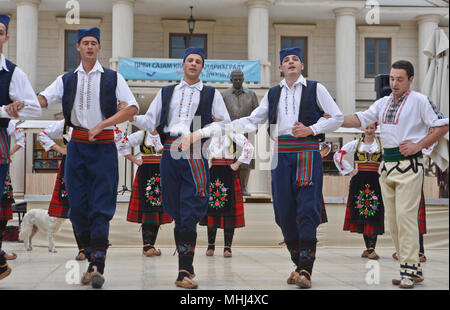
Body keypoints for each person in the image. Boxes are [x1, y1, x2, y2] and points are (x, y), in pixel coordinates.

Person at [231, 47, 343, 288]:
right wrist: (224, 125)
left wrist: (312, 129)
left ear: (302, 66)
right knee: (283, 210)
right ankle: (299, 263)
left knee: (307, 207)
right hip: (281, 153)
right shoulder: (272, 93)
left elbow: (337, 117)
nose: (291, 62)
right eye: (286, 60)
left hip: (306, 151)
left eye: (295, 59)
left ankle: (306, 269)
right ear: (280, 68)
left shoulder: (315, 88)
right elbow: (253, 120)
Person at [37, 27, 139, 289]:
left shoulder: (113, 78)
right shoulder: (67, 79)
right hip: (77, 150)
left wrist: (102, 124)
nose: (90, 47)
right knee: (79, 209)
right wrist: (22, 102)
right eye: (85, 43)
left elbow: (131, 108)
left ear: (100, 48)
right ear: (78, 48)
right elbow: (43, 99)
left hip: (104, 148)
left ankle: (97, 267)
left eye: (94, 43)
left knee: (101, 208)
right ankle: (90, 256)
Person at [342, 60, 449, 288]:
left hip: (409, 165)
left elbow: (442, 125)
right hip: (387, 167)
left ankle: (408, 271)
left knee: (405, 218)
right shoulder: (382, 102)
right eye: (391, 78)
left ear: (411, 79)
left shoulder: (420, 100)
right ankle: (412, 268)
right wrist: (333, 118)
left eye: (400, 79)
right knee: (393, 221)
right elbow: (361, 119)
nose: (394, 83)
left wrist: (418, 145)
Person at [131, 47, 231, 289]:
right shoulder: (167, 92)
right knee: (174, 208)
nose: (194, 64)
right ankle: (187, 266)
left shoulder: (210, 93)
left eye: (198, 61)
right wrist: (128, 113)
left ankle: (184, 270)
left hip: (194, 153)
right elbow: (149, 121)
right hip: (168, 152)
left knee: (190, 210)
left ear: (202, 67)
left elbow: (225, 124)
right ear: (182, 65)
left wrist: (199, 133)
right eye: (190, 60)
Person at [0, 13, 42, 281]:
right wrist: (4, 109)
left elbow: (36, 109)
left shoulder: (12, 72)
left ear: (6, 37)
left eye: (0, 31)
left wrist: (17, 107)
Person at [117, 129, 173, 257]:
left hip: (163, 172)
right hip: (146, 172)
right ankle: (147, 245)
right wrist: (135, 160)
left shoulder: (167, 134)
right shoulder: (142, 134)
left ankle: (150, 245)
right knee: (149, 207)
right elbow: (121, 144)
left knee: (158, 208)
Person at [334, 123, 384, 259]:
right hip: (360, 181)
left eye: (371, 128)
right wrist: (350, 170)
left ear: (375, 129)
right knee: (363, 212)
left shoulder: (381, 144)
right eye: (367, 128)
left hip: (375, 181)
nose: (369, 131)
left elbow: (390, 159)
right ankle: (370, 248)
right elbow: (338, 154)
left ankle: (370, 248)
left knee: (374, 212)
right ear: (363, 129)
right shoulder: (356, 143)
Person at [200, 131, 254, 258]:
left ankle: (227, 247)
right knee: (212, 209)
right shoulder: (210, 133)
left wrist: (237, 164)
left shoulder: (234, 133)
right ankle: (210, 245)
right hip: (213, 172)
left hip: (228, 171)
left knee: (230, 211)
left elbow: (249, 146)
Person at [222, 70, 259, 196]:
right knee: (229, 159)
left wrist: (255, 129)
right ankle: (230, 186)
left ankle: (243, 187)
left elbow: (257, 113)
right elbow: (220, 113)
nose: (238, 81)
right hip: (229, 133)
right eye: (235, 79)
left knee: (246, 161)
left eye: (240, 79)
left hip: (247, 133)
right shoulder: (224, 94)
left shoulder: (251, 94)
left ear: (243, 79)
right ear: (231, 79)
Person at [0, 121, 25, 262]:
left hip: (1, 168)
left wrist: (8, 152)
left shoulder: (5, 120)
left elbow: (21, 138)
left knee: (2, 216)